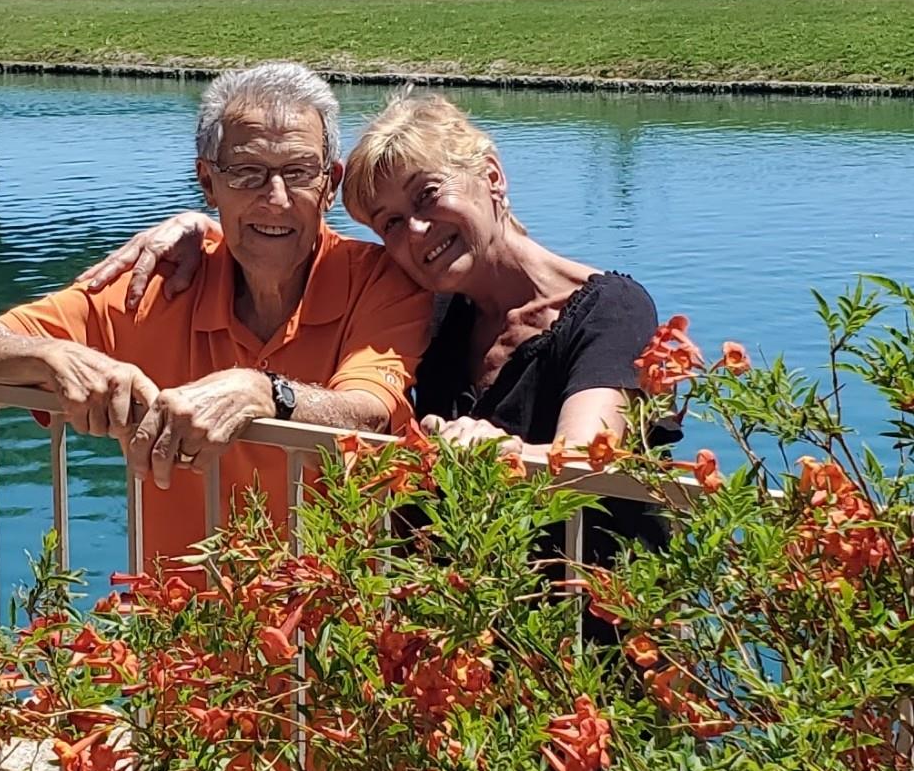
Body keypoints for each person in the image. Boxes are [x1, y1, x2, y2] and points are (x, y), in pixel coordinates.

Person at [82, 91, 679, 576]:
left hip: (584, 633)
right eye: (390, 222)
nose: (417, 232)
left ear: (491, 176)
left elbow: (584, 463)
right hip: (469, 623)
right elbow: (300, 249)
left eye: (428, 196)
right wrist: (206, 228)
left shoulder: (612, 309)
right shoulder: (429, 303)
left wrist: (501, 455)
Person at [0, 63, 433, 572]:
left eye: (300, 172)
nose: (277, 199)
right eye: (247, 173)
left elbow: (369, 413)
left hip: (335, 636)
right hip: (181, 636)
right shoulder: (151, 284)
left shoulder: (381, 281)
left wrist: (264, 391)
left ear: (330, 184)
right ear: (207, 181)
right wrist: (52, 355)